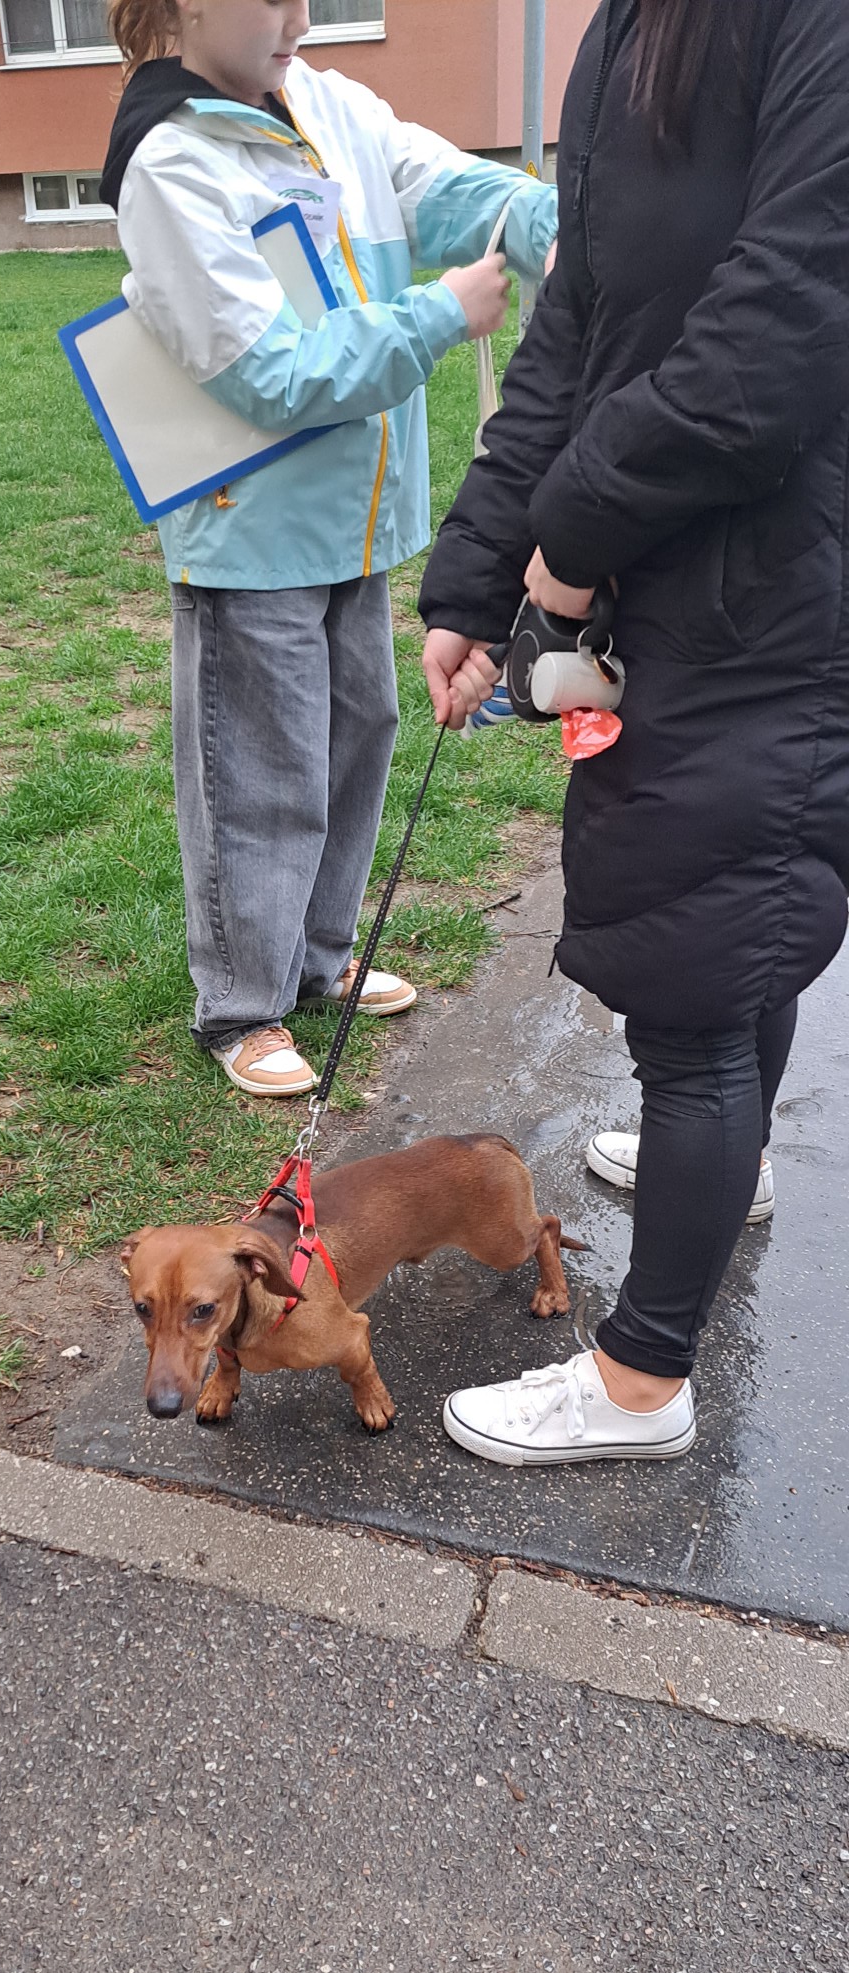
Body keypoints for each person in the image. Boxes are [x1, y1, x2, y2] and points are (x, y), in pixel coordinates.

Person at [420, 0, 849, 1465]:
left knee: (698, 987)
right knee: (729, 931)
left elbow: (774, 340)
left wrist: (570, 545)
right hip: (664, 574)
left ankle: (640, 1382)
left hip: (777, 585)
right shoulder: (627, 34)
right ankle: (729, 1164)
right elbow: (575, 331)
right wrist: (476, 574)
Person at [100, 0, 557, 1095]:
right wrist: (439, 315)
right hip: (251, 530)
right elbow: (269, 374)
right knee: (263, 772)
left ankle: (315, 958)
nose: (301, 19)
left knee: (356, 742)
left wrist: (567, 222)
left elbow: (455, 191)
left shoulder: (326, 103)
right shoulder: (171, 163)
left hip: (360, 518)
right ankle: (243, 1004)